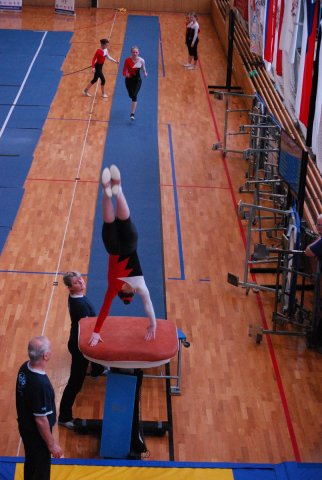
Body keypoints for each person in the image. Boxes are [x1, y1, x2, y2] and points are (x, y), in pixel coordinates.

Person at [88, 164, 156, 347]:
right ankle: (113, 191)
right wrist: (153, 324)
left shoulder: (134, 286)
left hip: (121, 247)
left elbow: (105, 310)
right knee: (116, 221)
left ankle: (113, 191)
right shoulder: (125, 287)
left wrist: (153, 324)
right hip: (122, 247)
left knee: (116, 221)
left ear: (127, 292)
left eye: (129, 293)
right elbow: (147, 305)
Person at [58, 271, 106, 429]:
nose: (81, 282)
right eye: (77, 282)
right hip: (78, 345)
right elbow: (88, 328)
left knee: (94, 354)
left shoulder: (77, 297)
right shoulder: (79, 306)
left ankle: (97, 369)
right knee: (75, 383)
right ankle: (64, 418)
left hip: (78, 337)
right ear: (70, 288)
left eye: (80, 279)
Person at [16, 336, 63, 480]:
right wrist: (52, 444)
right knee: (41, 470)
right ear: (45, 355)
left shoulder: (25, 367)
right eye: (50, 349)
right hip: (37, 435)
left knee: (31, 461)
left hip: (25, 427)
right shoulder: (41, 385)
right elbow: (41, 420)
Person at [122, 46, 148, 120]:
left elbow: (143, 68)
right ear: (131, 52)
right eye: (133, 52)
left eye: (136, 52)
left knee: (134, 95)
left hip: (138, 81)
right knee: (131, 95)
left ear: (138, 52)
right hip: (128, 81)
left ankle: (132, 114)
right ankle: (132, 109)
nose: (135, 53)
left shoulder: (141, 60)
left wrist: (145, 73)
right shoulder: (127, 60)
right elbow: (124, 71)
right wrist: (126, 74)